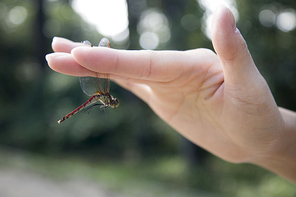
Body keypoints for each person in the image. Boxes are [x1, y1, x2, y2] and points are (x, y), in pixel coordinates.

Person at [46, 6, 296, 183]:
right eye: (112, 102)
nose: (112, 103)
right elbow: (95, 100)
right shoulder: (102, 91)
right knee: (92, 85)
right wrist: (276, 145)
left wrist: (275, 144)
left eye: (111, 102)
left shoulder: (104, 93)